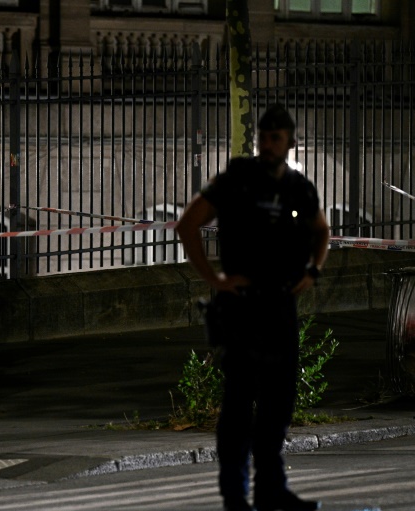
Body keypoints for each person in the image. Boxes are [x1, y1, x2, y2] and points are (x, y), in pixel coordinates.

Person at [176, 105, 329, 511]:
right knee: (240, 402)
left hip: (279, 305)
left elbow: (321, 231)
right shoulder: (238, 179)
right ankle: (234, 495)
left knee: (279, 403)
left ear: (291, 141)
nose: (267, 143)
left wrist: (313, 270)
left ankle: (270, 489)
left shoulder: (298, 187)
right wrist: (215, 279)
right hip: (242, 307)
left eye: (275, 137)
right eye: (263, 135)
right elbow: (188, 224)